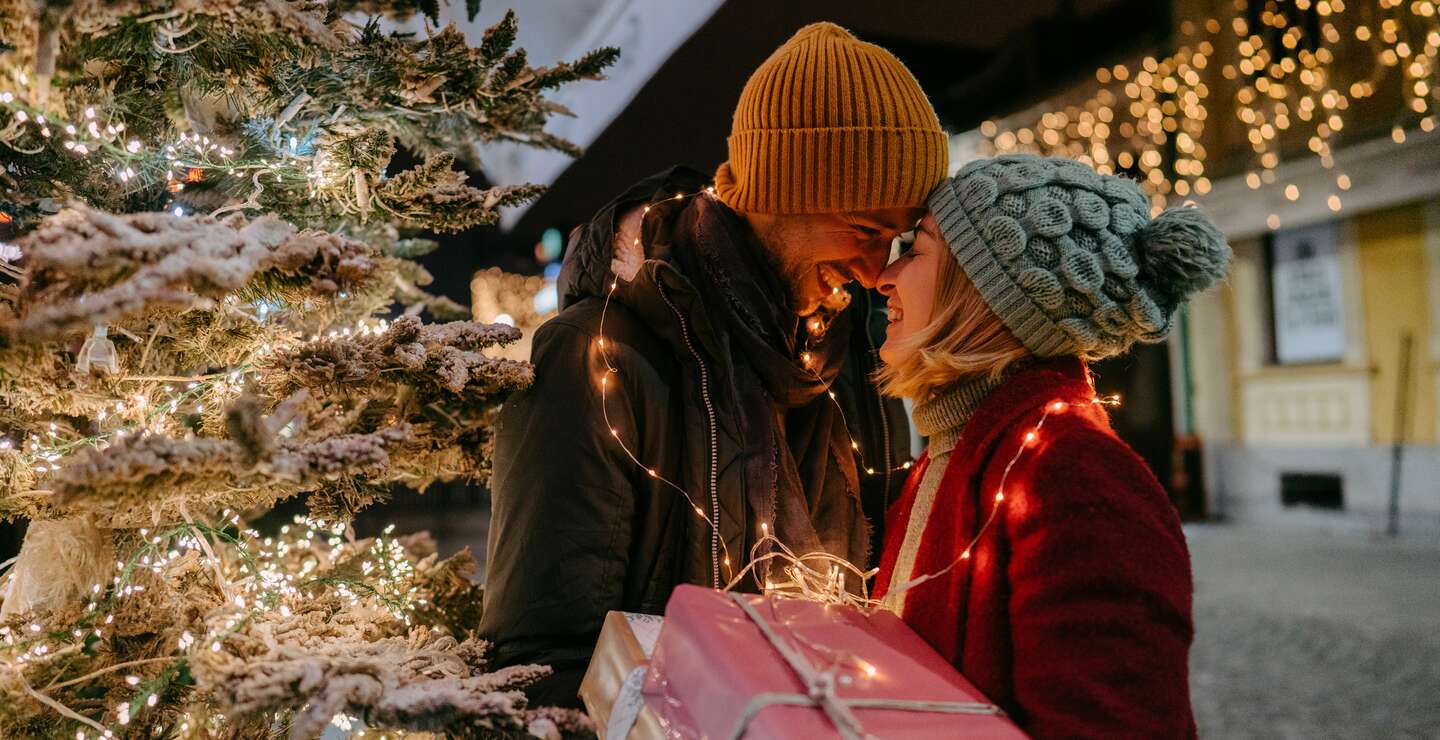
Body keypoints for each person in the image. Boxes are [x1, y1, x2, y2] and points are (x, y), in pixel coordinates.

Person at [481, 22, 945, 706]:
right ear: (781, 193)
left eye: (900, 236)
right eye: (866, 227)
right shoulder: (597, 358)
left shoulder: (845, 369)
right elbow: (541, 669)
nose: (877, 270)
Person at [872, 154, 1229, 738]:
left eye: (916, 250)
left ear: (986, 290)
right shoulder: (959, 449)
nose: (883, 277)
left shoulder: (1074, 472)